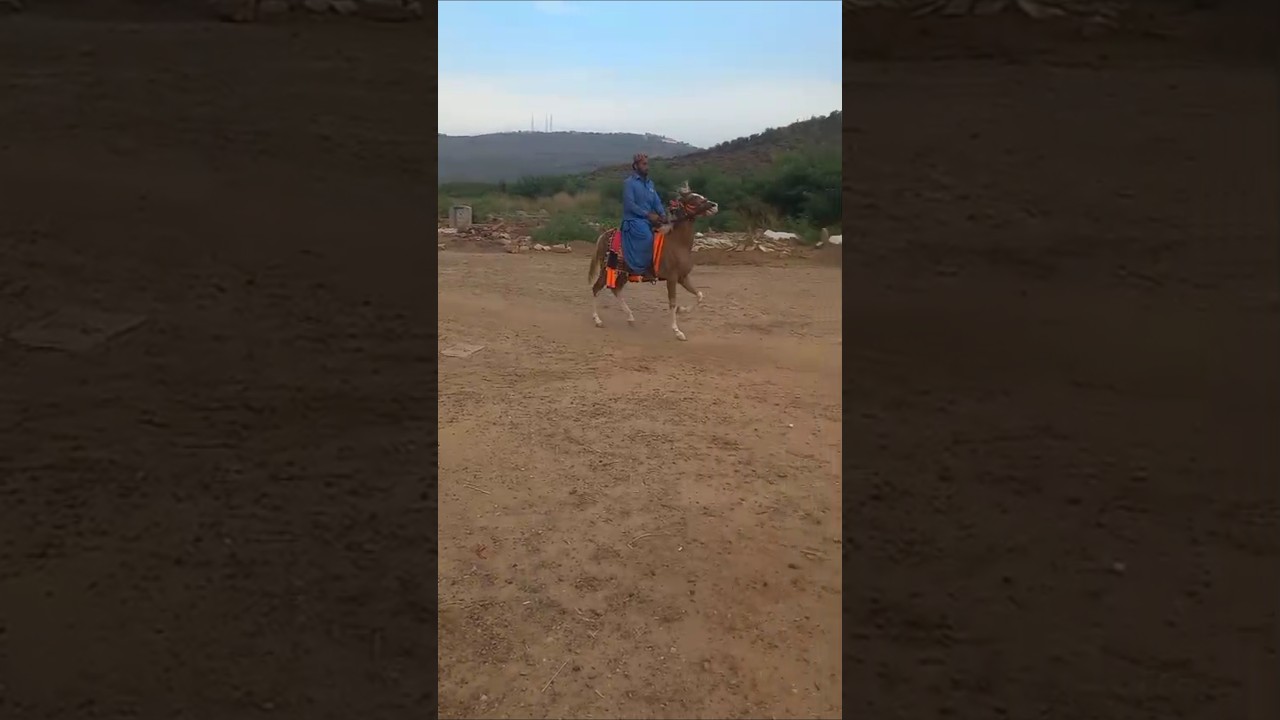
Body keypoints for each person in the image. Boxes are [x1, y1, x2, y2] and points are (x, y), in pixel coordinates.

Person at [620, 153, 666, 281]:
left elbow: (656, 201)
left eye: (647, 164)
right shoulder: (629, 183)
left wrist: (662, 214)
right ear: (636, 166)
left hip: (649, 219)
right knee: (647, 237)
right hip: (634, 220)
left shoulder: (650, 184)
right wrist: (647, 215)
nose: (647, 167)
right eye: (644, 164)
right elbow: (630, 205)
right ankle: (640, 269)